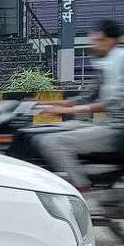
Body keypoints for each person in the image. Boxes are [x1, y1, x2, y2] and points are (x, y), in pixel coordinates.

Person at [35, 19, 124, 205]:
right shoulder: (107, 62)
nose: (94, 45)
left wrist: (73, 109)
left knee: (51, 141)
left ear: (112, 40)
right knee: (53, 130)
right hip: (107, 123)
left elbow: (114, 101)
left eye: (98, 40)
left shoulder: (120, 60)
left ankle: (84, 191)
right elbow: (89, 96)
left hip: (117, 130)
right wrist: (52, 104)